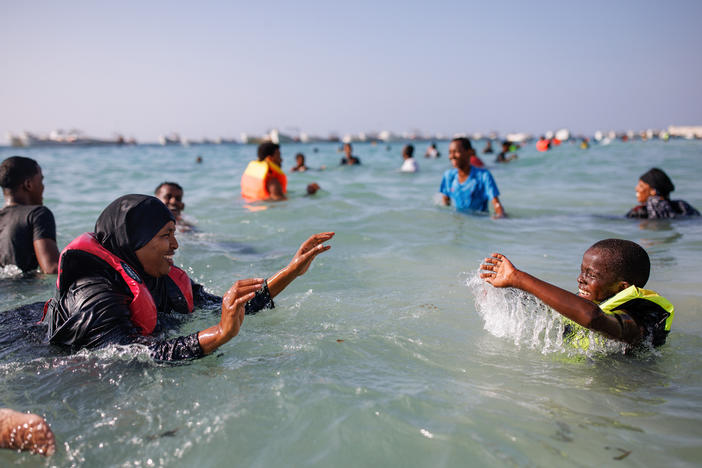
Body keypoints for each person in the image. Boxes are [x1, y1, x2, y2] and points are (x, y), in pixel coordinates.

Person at [44, 194, 334, 361]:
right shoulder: (93, 293)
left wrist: (292, 271)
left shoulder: (164, 281)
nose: (175, 245)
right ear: (134, 241)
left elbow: (235, 308)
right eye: (165, 236)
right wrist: (219, 335)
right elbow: (127, 355)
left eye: (174, 233)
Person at [480, 239, 674, 349]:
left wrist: (520, 278)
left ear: (622, 288)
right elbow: (551, 311)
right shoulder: (595, 301)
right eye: (582, 271)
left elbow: (594, 319)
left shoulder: (640, 316)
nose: (580, 279)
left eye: (591, 275)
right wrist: (511, 293)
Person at [0, 156, 59, 274]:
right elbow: (51, 267)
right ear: (28, 184)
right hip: (22, 289)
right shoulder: (37, 214)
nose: (43, 186)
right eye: (41, 180)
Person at [439, 137, 505, 217]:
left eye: (456, 152)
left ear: (470, 152)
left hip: (479, 222)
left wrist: (500, 217)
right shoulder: (449, 176)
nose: (452, 156)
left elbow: (497, 205)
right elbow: (445, 205)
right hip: (458, 220)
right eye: (450, 152)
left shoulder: (483, 176)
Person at [626, 168, 700, 219]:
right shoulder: (682, 205)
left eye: (641, 185)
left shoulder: (639, 211)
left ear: (653, 191)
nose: (636, 188)